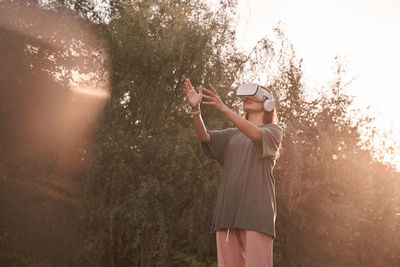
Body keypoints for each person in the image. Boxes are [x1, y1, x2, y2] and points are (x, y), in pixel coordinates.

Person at [183, 78, 283, 267]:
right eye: (245, 97)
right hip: (227, 214)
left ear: (268, 104)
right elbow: (204, 137)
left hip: (256, 214)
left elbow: (255, 134)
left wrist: (224, 109)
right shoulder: (231, 135)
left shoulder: (274, 131)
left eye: (254, 96)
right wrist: (195, 110)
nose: (247, 99)